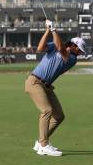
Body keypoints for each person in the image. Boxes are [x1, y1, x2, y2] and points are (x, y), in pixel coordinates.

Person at [24, 19, 86, 157]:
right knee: (47, 110)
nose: (80, 53)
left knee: (58, 116)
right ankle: (44, 145)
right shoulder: (56, 45)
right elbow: (40, 48)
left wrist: (53, 30)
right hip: (34, 82)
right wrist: (48, 30)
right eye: (80, 50)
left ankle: (40, 142)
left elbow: (61, 49)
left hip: (46, 86)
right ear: (74, 45)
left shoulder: (72, 59)